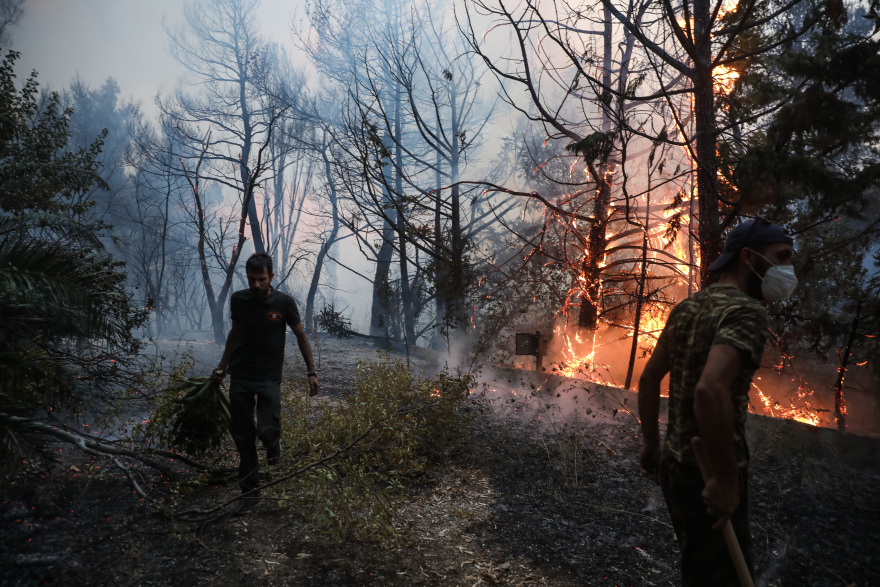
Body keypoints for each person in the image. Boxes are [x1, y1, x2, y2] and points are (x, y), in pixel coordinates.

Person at [638, 219, 797, 585]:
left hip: (676, 467)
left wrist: (651, 445)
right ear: (748, 257)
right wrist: (725, 480)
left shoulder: (688, 307)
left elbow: (648, 380)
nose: (788, 268)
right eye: (782, 257)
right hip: (709, 473)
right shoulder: (746, 311)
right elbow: (710, 390)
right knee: (722, 577)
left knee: (698, 566)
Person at [213, 252, 320, 516]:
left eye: (261, 279)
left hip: (269, 377)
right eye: (252, 279)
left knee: (268, 429)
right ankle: (250, 492)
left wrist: (311, 372)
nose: (256, 284)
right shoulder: (239, 300)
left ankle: (274, 446)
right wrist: (223, 366)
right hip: (241, 375)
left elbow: (301, 336)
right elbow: (235, 333)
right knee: (243, 435)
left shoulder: (284, 303)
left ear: (271, 277)